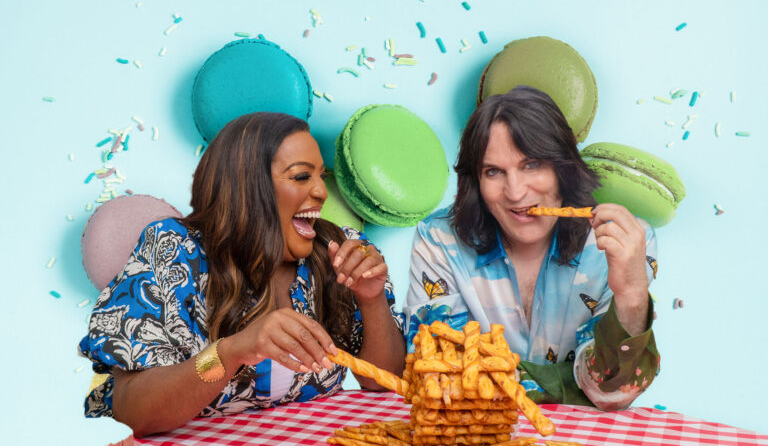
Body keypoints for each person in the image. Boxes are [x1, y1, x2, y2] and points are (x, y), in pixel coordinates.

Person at [79, 112, 405, 437]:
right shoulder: (173, 251)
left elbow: (383, 381)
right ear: (247, 186)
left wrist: (371, 298)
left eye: (321, 176)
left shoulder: (337, 249)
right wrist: (232, 351)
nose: (321, 191)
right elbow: (134, 411)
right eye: (301, 176)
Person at [403, 86, 659, 411]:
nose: (515, 192)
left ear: (563, 168)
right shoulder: (439, 239)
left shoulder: (626, 243)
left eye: (532, 165)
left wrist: (632, 296)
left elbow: (610, 391)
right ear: (476, 183)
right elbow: (439, 373)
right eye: (493, 172)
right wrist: (568, 383)